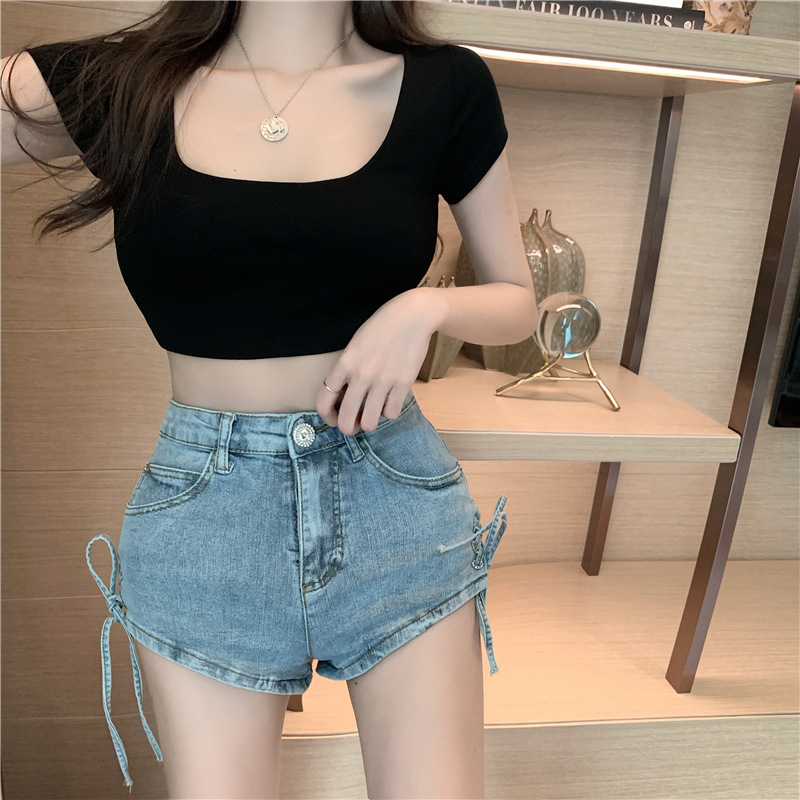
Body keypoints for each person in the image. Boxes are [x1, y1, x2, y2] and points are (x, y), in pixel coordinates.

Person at [1, 1, 535, 797]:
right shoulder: (124, 82)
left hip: (395, 500)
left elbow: (518, 301)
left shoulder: (445, 85)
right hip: (205, 522)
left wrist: (426, 308)